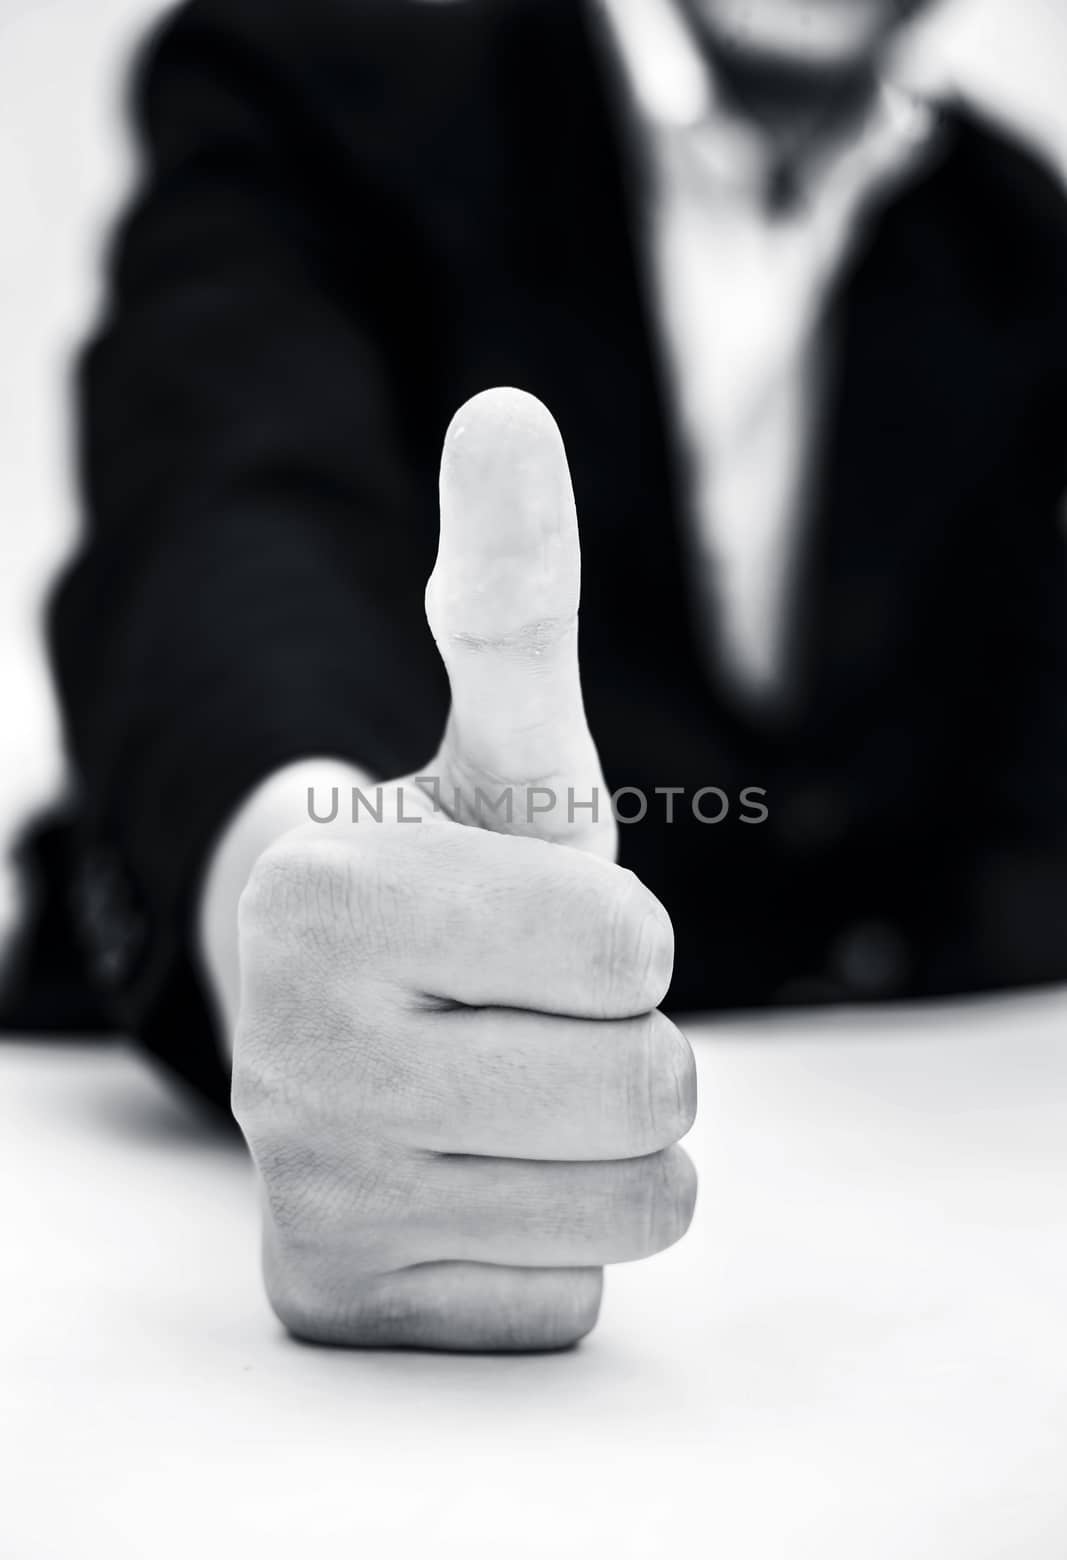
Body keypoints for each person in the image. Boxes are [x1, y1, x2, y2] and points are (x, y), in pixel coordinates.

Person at [23, 0, 1067, 1348]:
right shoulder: (320, 66)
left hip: (863, 1243)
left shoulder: (1015, 239)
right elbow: (233, 521)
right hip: (120, 1183)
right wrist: (305, 882)